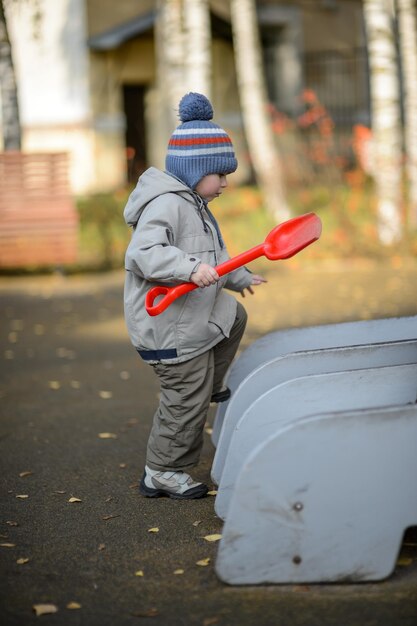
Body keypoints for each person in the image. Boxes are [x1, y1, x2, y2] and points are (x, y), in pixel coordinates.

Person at [123, 92, 266, 499]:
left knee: (233, 315)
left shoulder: (195, 204)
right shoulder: (166, 205)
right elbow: (144, 254)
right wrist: (186, 269)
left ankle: (213, 383)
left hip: (191, 320)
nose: (225, 182)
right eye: (218, 174)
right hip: (168, 327)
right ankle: (162, 470)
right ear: (193, 169)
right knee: (184, 399)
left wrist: (237, 276)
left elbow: (214, 257)